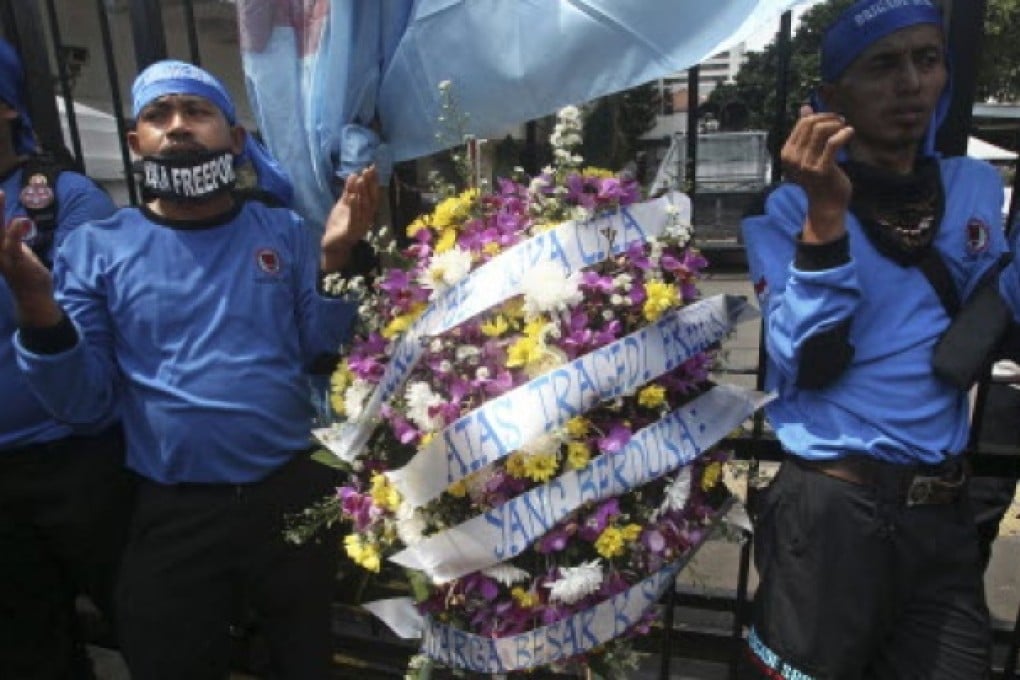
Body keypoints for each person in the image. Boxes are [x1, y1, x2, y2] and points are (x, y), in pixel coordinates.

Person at [1, 59, 378, 679]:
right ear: (135, 143)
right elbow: (84, 403)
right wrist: (40, 312)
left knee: (303, 657)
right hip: (173, 510)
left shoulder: (282, 230)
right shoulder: (97, 247)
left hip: (289, 496)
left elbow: (322, 350)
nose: (177, 127)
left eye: (197, 112)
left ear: (234, 140)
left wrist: (335, 257)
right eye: (158, 115)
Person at [740, 1, 1010, 677]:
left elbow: (998, 313)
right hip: (833, 511)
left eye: (928, 59)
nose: (911, 83)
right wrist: (827, 216)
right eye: (884, 65)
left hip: (940, 514)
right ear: (832, 97)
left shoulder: (974, 186)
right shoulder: (785, 211)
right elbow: (810, 361)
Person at [0, 39, 134, 680]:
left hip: (79, 458)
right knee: (30, 649)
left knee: (144, 622)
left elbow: (101, 321)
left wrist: (28, 291)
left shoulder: (63, 197)